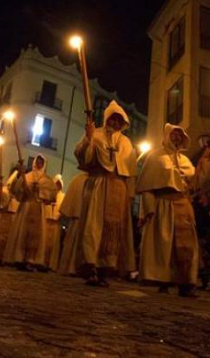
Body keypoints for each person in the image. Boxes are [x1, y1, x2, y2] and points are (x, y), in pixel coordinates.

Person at [65, 101, 137, 287]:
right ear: (106, 118)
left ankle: (106, 268)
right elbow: (83, 156)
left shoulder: (126, 143)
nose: (114, 122)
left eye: (118, 120)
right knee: (93, 227)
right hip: (97, 184)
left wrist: (130, 194)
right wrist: (88, 139)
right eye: (112, 118)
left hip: (117, 188)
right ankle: (91, 266)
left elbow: (130, 173)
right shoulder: (94, 134)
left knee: (111, 229)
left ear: (123, 122)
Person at [137, 124, 198, 297]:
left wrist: (205, 163)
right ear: (167, 136)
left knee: (186, 246)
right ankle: (163, 280)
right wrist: (148, 209)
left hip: (182, 205)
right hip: (163, 206)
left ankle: (185, 282)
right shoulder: (155, 157)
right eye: (174, 134)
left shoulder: (186, 161)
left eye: (180, 135)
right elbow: (147, 187)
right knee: (164, 247)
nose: (177, 138)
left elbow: (193, 183)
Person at [4, 155, 56, 271]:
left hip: (39, 208)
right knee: (23, 232)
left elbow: (52, 195)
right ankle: (20, 257)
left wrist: (40, 191)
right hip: (26, 207)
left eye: (41, 162)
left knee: (36, 234)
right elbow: (16, 191)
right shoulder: (26, 177)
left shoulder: (47, 180)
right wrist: (22, 184)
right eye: (38, 161)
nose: (39, 163)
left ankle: (32, 259)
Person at [55, 172, 87, 274]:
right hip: (79, 218)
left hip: (83, 218)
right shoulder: (80, 179)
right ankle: (71, 267)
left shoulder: (78, 179)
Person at [44, 175, 65, 269]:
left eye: (58, 185)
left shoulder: (62, 196)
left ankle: (51, 264)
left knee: (53, 244)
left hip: (56, 223)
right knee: (45, 242)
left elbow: (62, 208)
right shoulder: (48, 194)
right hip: (47, 221)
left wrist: (57, 216)